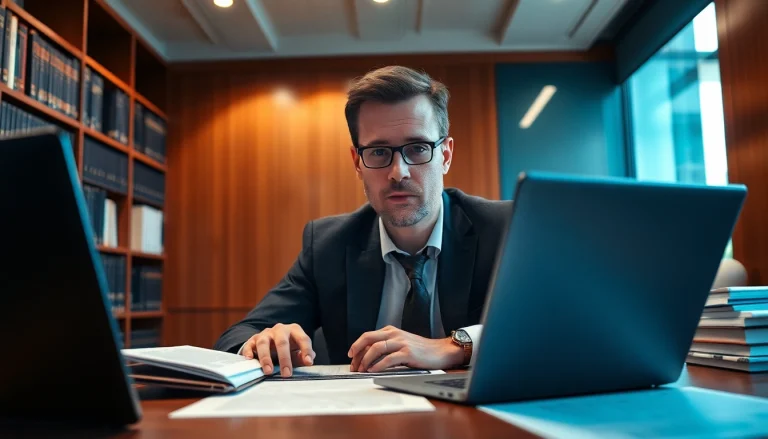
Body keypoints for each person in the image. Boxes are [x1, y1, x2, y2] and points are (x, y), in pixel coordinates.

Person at [213, 65, 512, 377]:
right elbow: (237, 337)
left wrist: (454, 346)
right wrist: (261, 343)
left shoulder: (504, 229)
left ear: (446, 155)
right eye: (379, 152)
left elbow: (557, 324)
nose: (399, 172)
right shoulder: (329, 244)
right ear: (357, 161)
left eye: (418, 148)